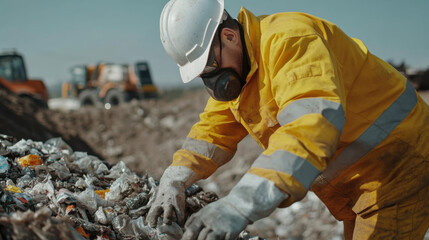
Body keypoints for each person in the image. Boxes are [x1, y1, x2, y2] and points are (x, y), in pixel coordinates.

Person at [147, 0, 429, 239]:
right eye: (202, 75)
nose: (211, 81)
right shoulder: (245, 71)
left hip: (399, 166)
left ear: (230, 36)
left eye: (209, 66)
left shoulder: (290, 43)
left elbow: (309, 130)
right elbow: (211, 132)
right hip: (365, 183)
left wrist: (239, 205)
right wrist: (175, 177)